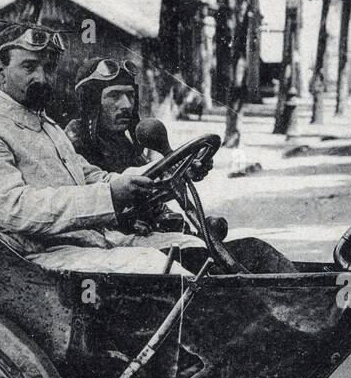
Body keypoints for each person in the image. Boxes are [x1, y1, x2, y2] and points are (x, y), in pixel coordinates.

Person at [0, 25, 202, 276]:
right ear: (0, 72)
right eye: (29, 67)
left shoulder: (46, 125)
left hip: (86, 244)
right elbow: (13, 209)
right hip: (34, 263)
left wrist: (169, 169)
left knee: (195, 249)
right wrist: (109, 196)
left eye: (49, 68)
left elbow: (91, 177)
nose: (41, 77)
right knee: (162, 270)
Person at [63, 55, 296, 275]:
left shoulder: (126, 143)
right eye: (114, 96)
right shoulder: (73, 142)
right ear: (92, 100)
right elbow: (89, 198)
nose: (126, 104)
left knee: (255, 250)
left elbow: (152, 182)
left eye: (130, 95)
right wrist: (125, 218)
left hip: (154, 236)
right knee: (203, 260)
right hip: (112, 246)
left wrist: (183, 167)